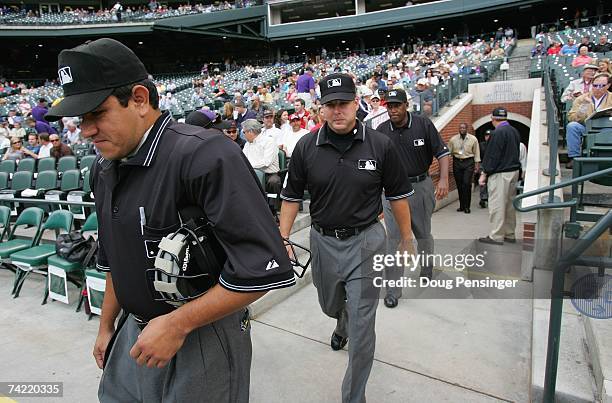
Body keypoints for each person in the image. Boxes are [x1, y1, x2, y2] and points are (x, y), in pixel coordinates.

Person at [44, 38, 296, 402]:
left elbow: (263, 270)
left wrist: (178, 324)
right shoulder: (103, 169)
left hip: (201, 335)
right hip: (135, 332)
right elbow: (114, 259)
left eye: (96, 113)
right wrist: (105, 326)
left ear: (140, 99)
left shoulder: (204, 154)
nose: (86, 130)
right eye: (82, 118)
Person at [279, 73, 414, 403]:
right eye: (331, 105)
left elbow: (397, 196)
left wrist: (406, 238)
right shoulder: (306, 147)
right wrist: (282, 237)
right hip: (323, 241)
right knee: (330, 303)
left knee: (363, 325)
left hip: (366, 242)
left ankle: (354, 396)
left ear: (357, 103)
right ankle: (341, 321)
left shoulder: (380, 145)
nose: (338, 110)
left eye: (344, 103)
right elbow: (292, 196)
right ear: (321, 109)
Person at [377, 88, 450, 307]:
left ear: (406, 105)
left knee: (422, 234)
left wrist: (444, 179)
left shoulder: (423, 124)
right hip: (391, 192)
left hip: (420, 187)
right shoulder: (381, 130)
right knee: (394, 239)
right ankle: (393, 289)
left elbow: (442, 152)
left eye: (396, 105)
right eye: (389, 106)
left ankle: (426, 267)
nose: (392, 110)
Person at [478, 108, 521, 245]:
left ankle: (496, 236)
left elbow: (493, 156)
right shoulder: (514, 131)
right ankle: (510, 233)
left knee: (497, 205)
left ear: (492, 118)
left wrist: (484, 174)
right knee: (509, 205)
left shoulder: (497, 133)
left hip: (500, 174)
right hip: (513, 172)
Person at [565, 73, 612, 168]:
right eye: (595, 85)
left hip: (607, 128)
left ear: (608, 85)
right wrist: (584, 107)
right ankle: (574, 158)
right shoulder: (581, 99)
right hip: (586, 126)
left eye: (602, 86)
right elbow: (571, 117)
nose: (598, 88)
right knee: (572, 126)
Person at [242, 119, 282, 216]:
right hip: (252, 173)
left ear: (250, 131)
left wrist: (249, 166)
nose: (243, 134)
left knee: (274, 182)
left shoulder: (269, 141)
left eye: (244, 132)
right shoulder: (247, 144)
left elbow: (266, 162)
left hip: (269, 174)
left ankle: (273, 211)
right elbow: (243, 159)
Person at [448, 123, 480, 214]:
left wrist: (477, 165)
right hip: (457, 162)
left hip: (468, 162)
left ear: (467, 129)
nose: (462, 129)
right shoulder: (453, 139)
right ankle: (461, 206)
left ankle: (467, 206)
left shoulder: (473, 139)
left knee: (466, 184)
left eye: (464, 127)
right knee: (459, 185)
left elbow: (477, 153)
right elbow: (448, 153)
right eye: (460, 127)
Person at [478, 130, 491, 208]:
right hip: (483, 165)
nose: (487, 137)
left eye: (489, 135)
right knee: (483, 183)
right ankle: (483, 198)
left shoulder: (494, 144)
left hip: (492, 165)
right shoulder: (481, 145)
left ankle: (490, 197)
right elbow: (478, 155)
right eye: (486, 135)